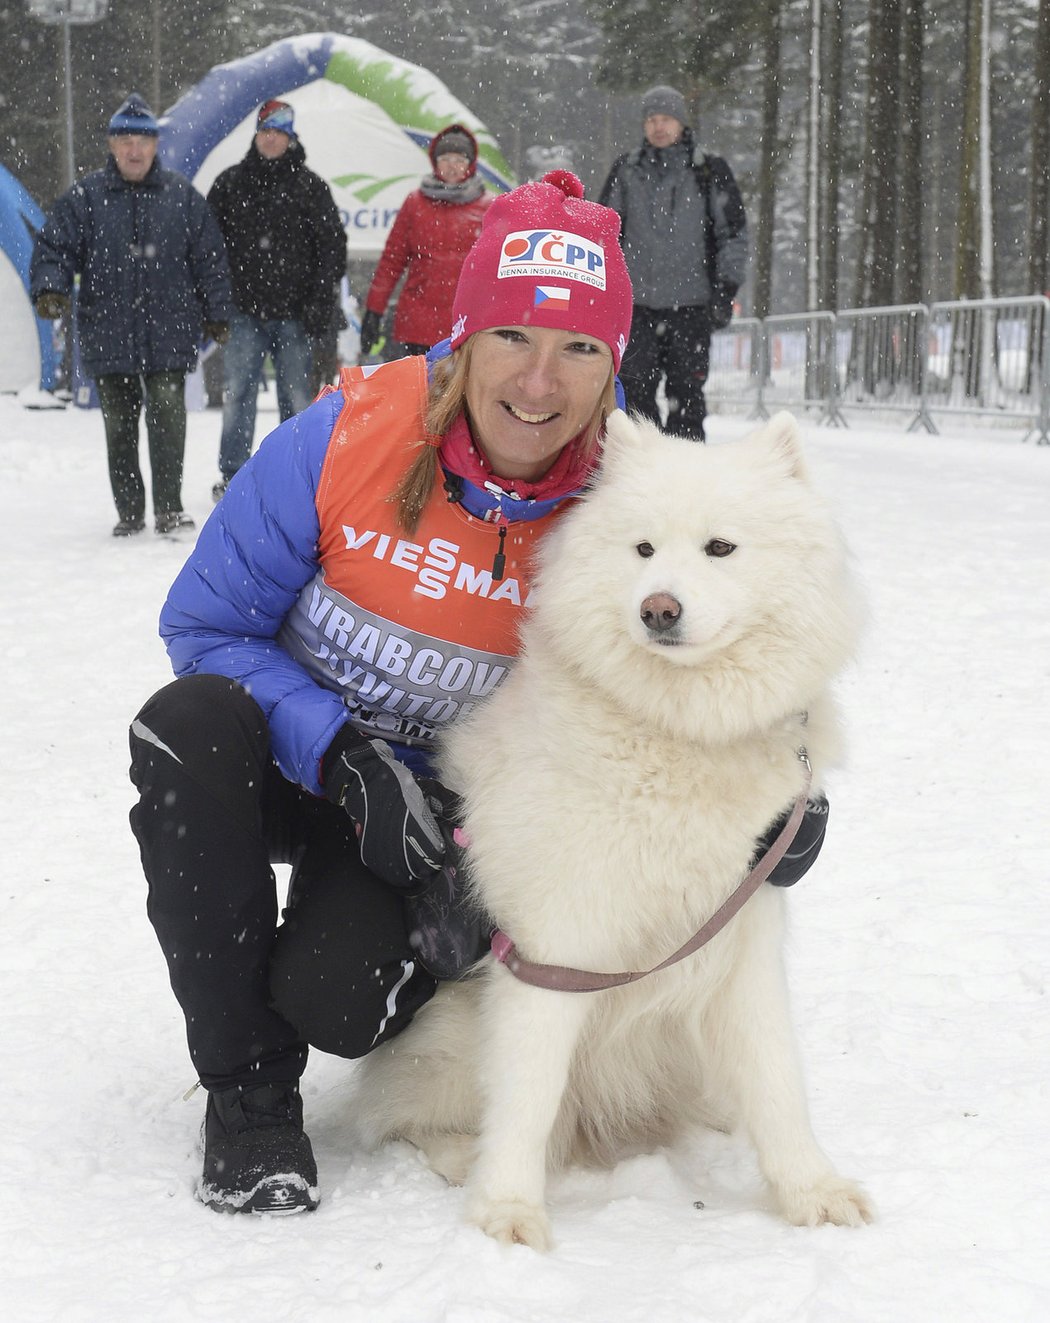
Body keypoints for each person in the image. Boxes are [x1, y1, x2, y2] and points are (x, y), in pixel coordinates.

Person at [128, 170, 828, 1217]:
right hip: (304, 762)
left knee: (334, 999)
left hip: (448, 807)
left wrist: (788, 773)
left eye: (581, 349)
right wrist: (338, 751)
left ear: (611, 366)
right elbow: (206, 624)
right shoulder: (346, 434)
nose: (541, 381)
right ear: (461, 337)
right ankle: (248, 1098)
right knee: (185, 730)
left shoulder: (629, 493)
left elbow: (720, 638)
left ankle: (430, 976)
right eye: (513, 338)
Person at [30, 93, 232, 536]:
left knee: (167, 414)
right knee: (119, 425)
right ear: (111, 144)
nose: (134, 149)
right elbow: (54, 247)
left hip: (169, 328)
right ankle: (129, 512)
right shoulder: (85, 198)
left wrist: (218, 312)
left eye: (142, 139)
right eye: (125, 139)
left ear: (156, 145)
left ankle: (169, 508)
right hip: (109, 330)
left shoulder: (182, 197)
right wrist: (51, 288)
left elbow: (210, 258)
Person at [207, 99, 347, 501]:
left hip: (295, 315)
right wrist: (218, 301)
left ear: (290, 137)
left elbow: (332, 248)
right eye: (266, 130)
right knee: (238, 394)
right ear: (256, 134)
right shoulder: (230, 183)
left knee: (298, 399)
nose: (271, 138)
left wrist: (319, 303)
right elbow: (208, 247)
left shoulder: (310, 186)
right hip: (243, 312)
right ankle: (233, 473)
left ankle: (296, 474)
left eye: (279, 131)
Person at [599, 85, 748, 442]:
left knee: (687, 396)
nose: (658, 126)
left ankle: (686, 475)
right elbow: (603, 231)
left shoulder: (710, 170)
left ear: (681, 122)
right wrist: (603, 292)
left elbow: (734, 234)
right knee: (634, 398)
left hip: (692, 307)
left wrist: (725, 291)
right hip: (636, 308)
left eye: (666, 118)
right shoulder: (626, 169)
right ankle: (640, 475)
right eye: (651, 119)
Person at [359, 124, 491, 360]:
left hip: (467, 323)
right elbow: (392, 260)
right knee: (419, 394)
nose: (452, 166)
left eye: (459, 159)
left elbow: (499, 266)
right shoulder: (415, 203)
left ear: (470, 164)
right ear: (434, 161)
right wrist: (373, 310)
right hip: (417, 323)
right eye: (445, 158)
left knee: (460, 395)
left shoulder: (489, 207)